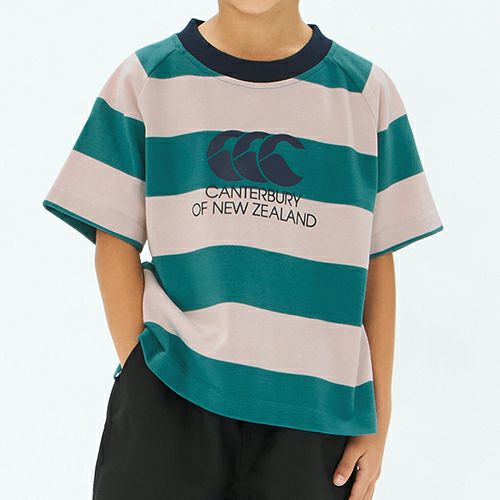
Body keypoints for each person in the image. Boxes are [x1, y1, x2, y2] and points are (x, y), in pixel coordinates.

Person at [43, 1, 443, 499]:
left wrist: (377, 420)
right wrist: (141, 369)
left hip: (315, 415)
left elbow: (376, 263)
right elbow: (113, 239)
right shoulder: (146, 79)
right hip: (172, 392)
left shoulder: (365, 93)